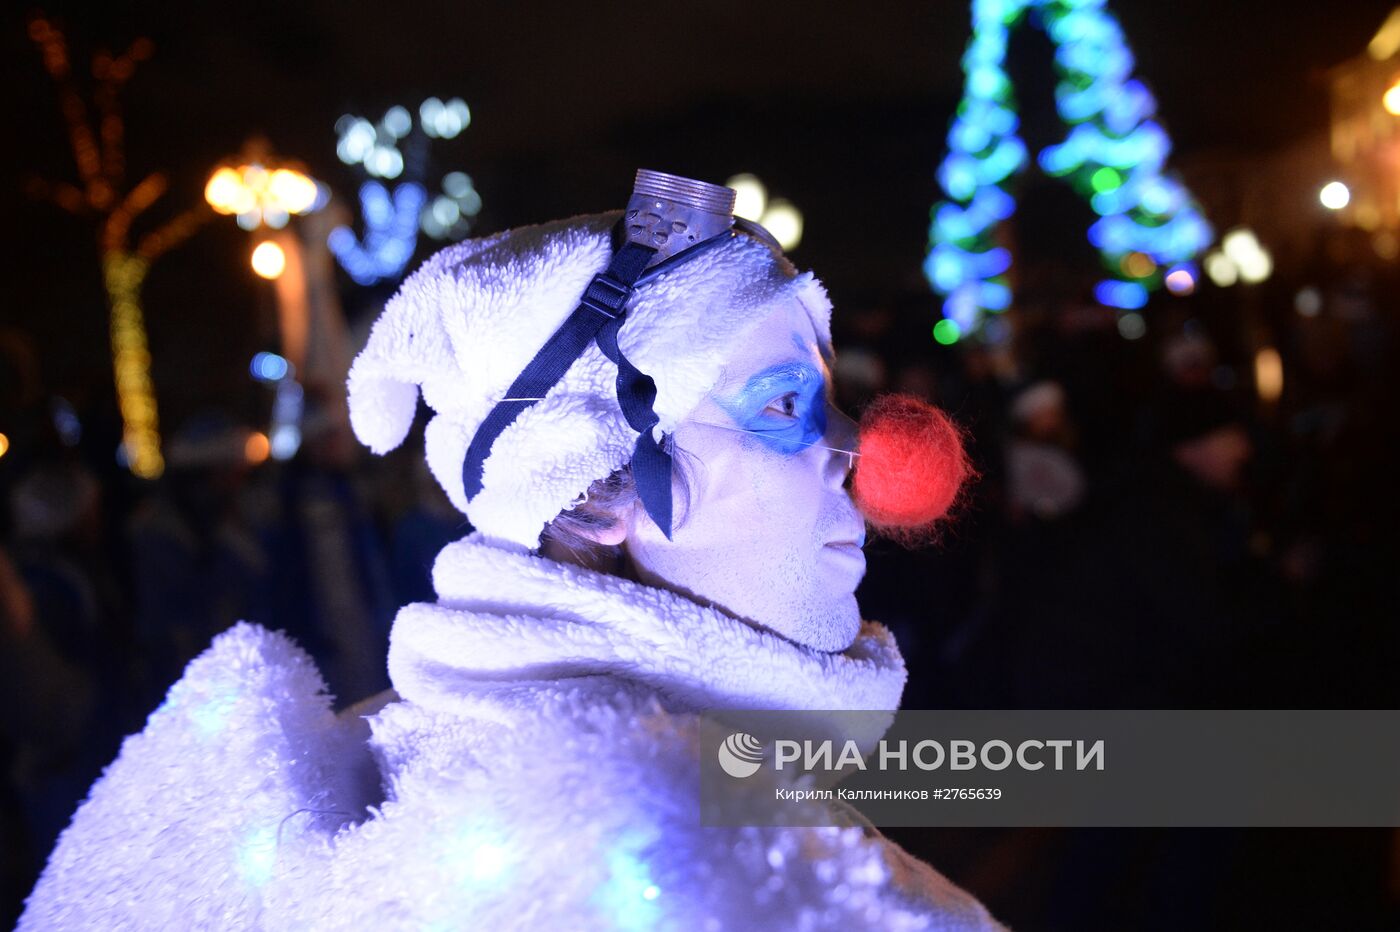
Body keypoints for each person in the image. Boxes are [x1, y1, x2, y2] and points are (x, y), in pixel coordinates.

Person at [21, 171, 1003, 930]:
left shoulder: (460, 746)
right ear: (594, 486)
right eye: (784, 405)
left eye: (828, 398)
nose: (856, 454)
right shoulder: (650, 854)